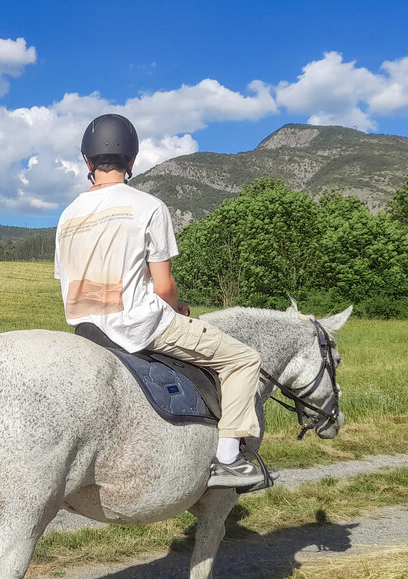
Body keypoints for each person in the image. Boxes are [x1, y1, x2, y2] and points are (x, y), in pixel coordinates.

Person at [55, 114, 266, 489]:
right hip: (138, 326)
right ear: (132, 159)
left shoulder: (67, 215)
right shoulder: (149, 206)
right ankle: (228, 460)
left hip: (85, 328)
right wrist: (176, 309)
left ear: (87, 160)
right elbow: (165, 286)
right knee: (243, 359)